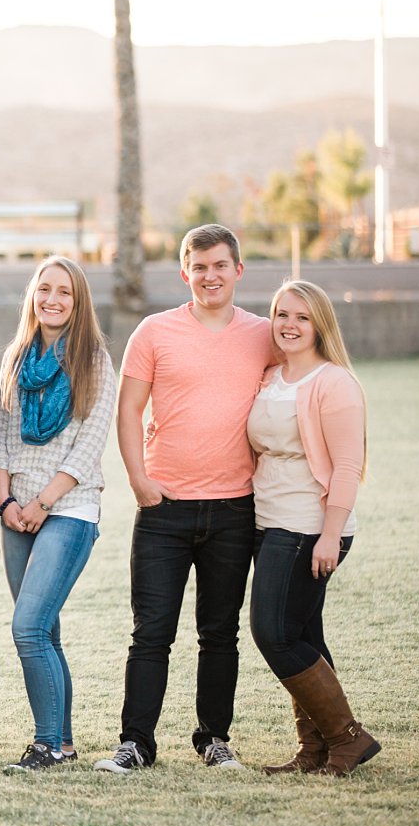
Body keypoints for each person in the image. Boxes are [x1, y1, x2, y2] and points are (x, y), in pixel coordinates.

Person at [95, 224, 274, 774]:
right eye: (199, 267)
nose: (210, 275)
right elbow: (128, 411)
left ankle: (214, 738)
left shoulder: (266, 334)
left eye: (220, 265)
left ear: (238, 270)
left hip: (235, 508)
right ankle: (136, 743)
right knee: (151, 632)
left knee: (219, 634)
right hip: (164, 508)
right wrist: (139, 479)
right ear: (185, 273)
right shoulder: (154, 331)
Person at [0, 258, 116, 773]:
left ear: (77, 300)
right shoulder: (18, 357)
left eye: (64, 291)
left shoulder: (94, 360)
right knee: (46, 631)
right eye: (44, 289)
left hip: (68, 510)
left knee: (28, 628)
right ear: (33, 296)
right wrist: (7, 503)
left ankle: (44, 743)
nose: (53, 299)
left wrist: (43, 503)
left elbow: (88, 448)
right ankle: (62, 743)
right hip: (15, 511)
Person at [248, 280, 377, 777]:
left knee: (274, 633)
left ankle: (348, 738)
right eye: (282, 314)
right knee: (304, 633)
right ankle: (315, 750)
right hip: (268, 521)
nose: (290, 325)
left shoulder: (334, 382)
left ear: (320, 323)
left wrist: (330, 532)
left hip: (309, 526)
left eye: (302, 317)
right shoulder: (269, 377)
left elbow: (348, 465)